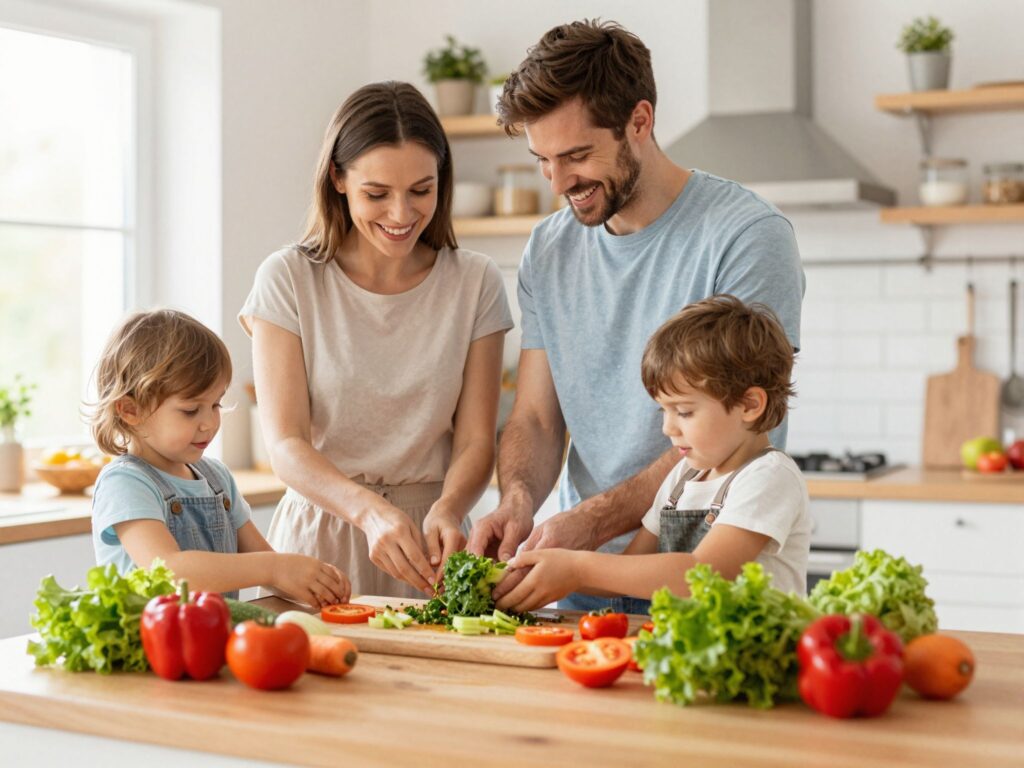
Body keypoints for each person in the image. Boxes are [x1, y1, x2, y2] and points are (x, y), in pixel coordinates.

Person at [467, 19, 805, 613]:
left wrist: (589, 529)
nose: (559, 182)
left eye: (576, 155)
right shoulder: (548, 250)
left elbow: (748, 426)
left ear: (640, 122)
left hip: (700, 587)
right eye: (542, 159)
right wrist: (517, 502)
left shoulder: (747, 236)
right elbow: (538, 419)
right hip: (582, 585)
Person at [239, 81, 512, 599]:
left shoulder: (475, 282)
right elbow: (287, 444)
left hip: (433, 542)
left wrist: (450, 507)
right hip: (321, 536)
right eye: (377, 194)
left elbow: (477, 439)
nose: (401, 214)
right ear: (338, 179)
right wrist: (367, 510)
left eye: (421, 190)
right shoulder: (288, 278)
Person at [495, 296, 811, 612]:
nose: (667, 428)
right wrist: (533, 571)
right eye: (664, 410)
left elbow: (703, 574)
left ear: (750, 405)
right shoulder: (682, 477)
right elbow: (630, 569)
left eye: (684, 412)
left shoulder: (768, 476)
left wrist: (578, 568)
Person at [89, 309, 350, 607]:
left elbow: (268, 568)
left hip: (213, 645)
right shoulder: (124, 483)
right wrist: (275, 567)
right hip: (146, 651)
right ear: (130, 410)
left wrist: (311, 583)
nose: (210, 423)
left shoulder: (217, 479)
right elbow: (168, 572)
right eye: (190, 410)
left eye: (216, 404)